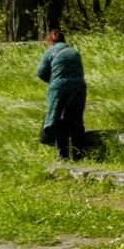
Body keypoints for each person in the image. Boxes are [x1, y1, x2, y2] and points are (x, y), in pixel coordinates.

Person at [36, 29, 87, 161]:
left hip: (59, 89)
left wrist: (54, 79)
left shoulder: (50, 52)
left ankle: (62, 156)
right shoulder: (74, 52)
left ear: (51, 42)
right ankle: (79, 155)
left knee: (58, 120)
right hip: (79, 88)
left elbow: (41, 73)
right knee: (76, 119)